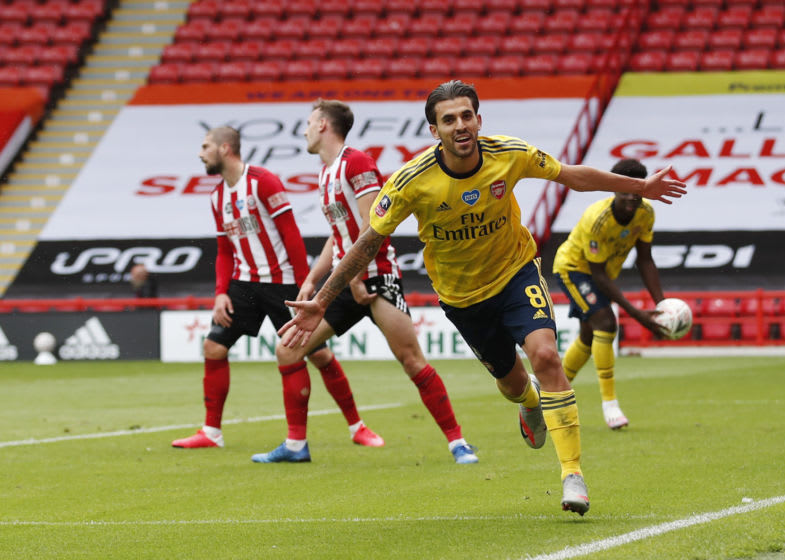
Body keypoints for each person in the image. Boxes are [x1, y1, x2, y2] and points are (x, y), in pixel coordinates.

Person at [278, 80, 686, 515]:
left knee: (546, 356)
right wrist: (323, 299)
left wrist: (638, 187)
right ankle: (530, 402)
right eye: (448, 120)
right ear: (434, 131)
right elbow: (367, 241)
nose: (460, 125)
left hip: (516, 274)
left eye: (466, 116)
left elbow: (571, 175)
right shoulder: (411, 181)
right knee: (512, 386)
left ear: (478, 120)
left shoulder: (509, 153)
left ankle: (572, 473)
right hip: (463, 297)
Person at [251, 99, 478, 465]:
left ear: (323, 125)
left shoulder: (357, 163)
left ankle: (458, 443)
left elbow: (371, 225)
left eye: (308, 123)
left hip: (376, 280)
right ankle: (295, 445)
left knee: (411, 360)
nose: (304, 131)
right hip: (345, 283)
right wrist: (312, 279)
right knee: (288, 350)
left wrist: (357, 277)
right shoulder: (326, 173)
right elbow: (338, 234)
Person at [171, 126, 384, 453]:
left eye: (205, 146)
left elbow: (291, 234)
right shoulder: (217, 197)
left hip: (281, 284)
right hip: (244, 285)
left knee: (318, 354)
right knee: (213, 347)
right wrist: (220, 292)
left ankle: (358, 427)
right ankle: (212, 432)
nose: (201, 154)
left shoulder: (263, 181)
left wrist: (303, 286)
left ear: (225, 148)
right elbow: (225, 250)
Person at [553, 159, 669, 431]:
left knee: (588, 335)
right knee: (606, 323)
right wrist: (637, 314)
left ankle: (552, 392)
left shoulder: (646, 213)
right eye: (624, 190)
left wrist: (662, 304)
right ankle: (610, 404)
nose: (631, 197)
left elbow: (645, 260)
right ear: (614, 189)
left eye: (636, 191)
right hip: (574, 269)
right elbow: (598, 275)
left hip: (601, 274)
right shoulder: (597, 219)